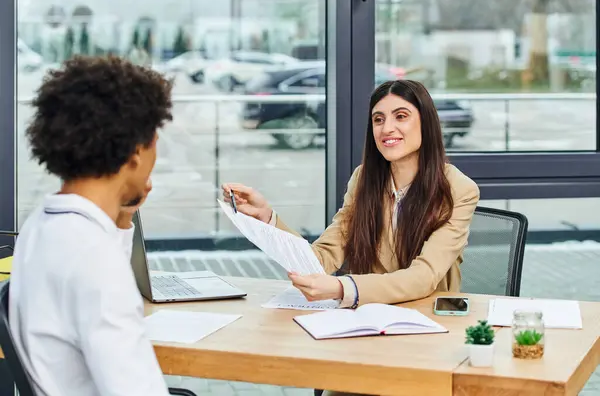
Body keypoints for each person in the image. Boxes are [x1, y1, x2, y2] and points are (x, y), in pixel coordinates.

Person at [223, 79, 480, 309]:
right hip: (368, 316)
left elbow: (423, 278)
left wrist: (343, 288)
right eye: (378, 119)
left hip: (430, 320)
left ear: (426, 123)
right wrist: (268, 218)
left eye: (401, 116)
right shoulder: (363, 179)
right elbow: (321, 259)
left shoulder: (459, 189)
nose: (386, 128)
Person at [9, 56, 173, 396]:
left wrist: (123, 216)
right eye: (155, 139)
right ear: (135, 154)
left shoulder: (42, 226)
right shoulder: (93, 260)